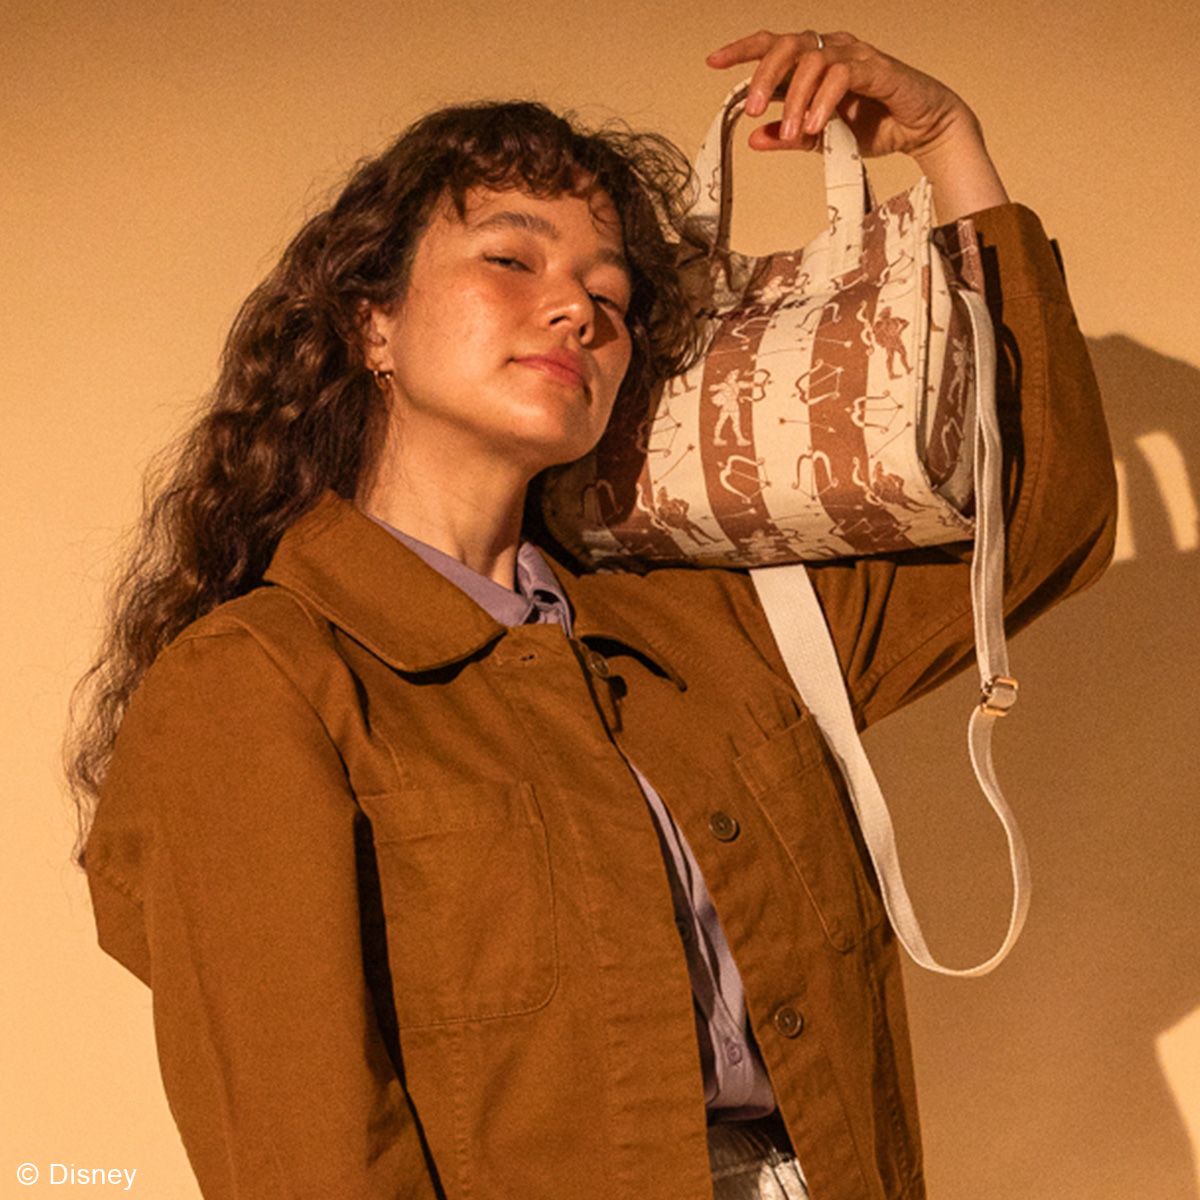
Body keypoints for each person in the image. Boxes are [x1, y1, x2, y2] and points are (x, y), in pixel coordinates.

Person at [65, 25, 1117, 1200]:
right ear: (372, 322)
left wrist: (946, 148)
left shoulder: (710, 628)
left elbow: (1040, 516)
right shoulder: (257, 681)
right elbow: (302, 1151)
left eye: (608, 294)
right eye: (512, 260)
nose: (575, 309)